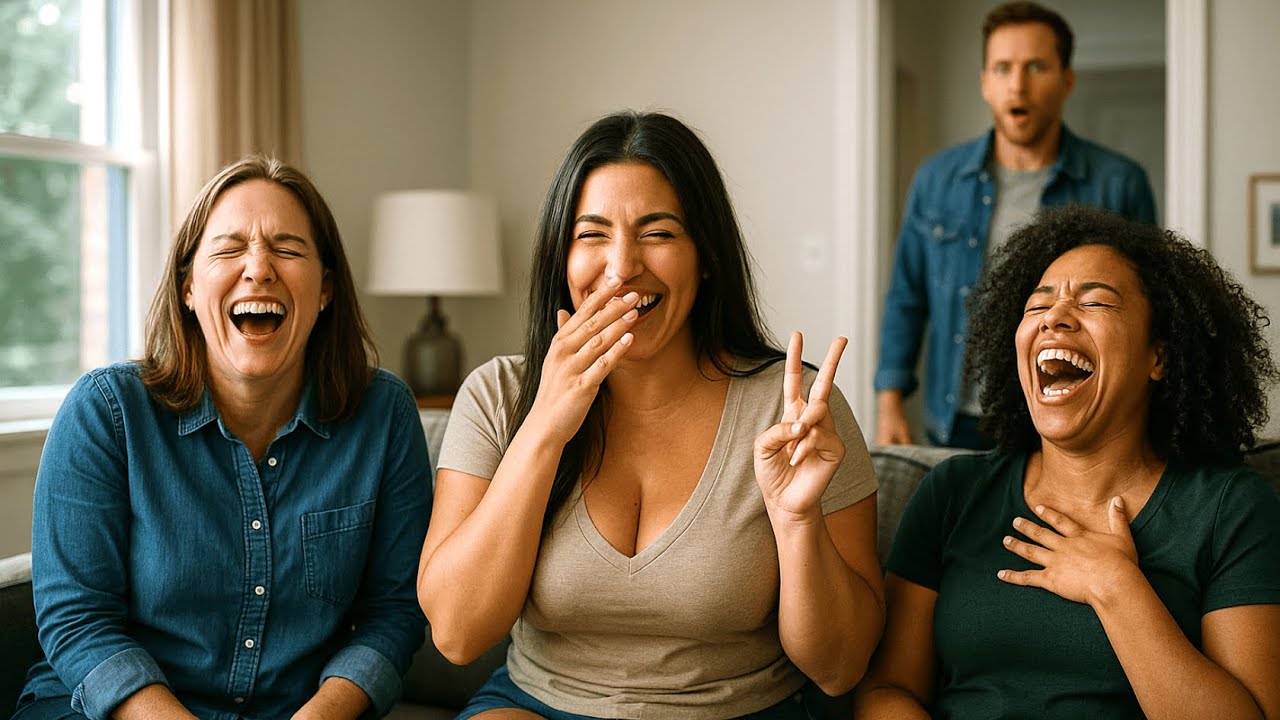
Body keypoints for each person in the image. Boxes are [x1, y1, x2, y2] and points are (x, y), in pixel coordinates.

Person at [416, 111, 884, 719]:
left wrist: (798, 523)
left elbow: (841, 667)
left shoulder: (792, 409)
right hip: (536, 703)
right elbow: (455, 635)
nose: (621, 266)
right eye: (592, 234)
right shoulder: (498, 395)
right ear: (562, 258)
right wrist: (544, 428)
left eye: (657, 233)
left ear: (707, 255)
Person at [15, 156, 431, 720]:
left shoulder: (384, 414)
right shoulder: (106, 412)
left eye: (287, 249)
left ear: (326, 288)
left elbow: (395, 610)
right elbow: (77, 619)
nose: (258, 268)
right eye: (229, 249)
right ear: (188, 286)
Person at [854, 204, 1280, 718]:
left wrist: (1116, 587)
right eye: (1037, 306)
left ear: (1159, 358)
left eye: (1096, 302)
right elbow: (887, 691)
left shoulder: (1230, 508)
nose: (1055, 316)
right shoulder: (954, 493)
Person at [874, 1, 1157, 449]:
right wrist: (888, 399)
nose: (1017, 85)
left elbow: (1145, 312)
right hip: (958, 420)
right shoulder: (936, 179)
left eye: (1036, 67)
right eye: (1002, 68)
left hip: (1072, 416)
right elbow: (907, 297)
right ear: (985, 83)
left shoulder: (1118, 184)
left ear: (1066, 81)